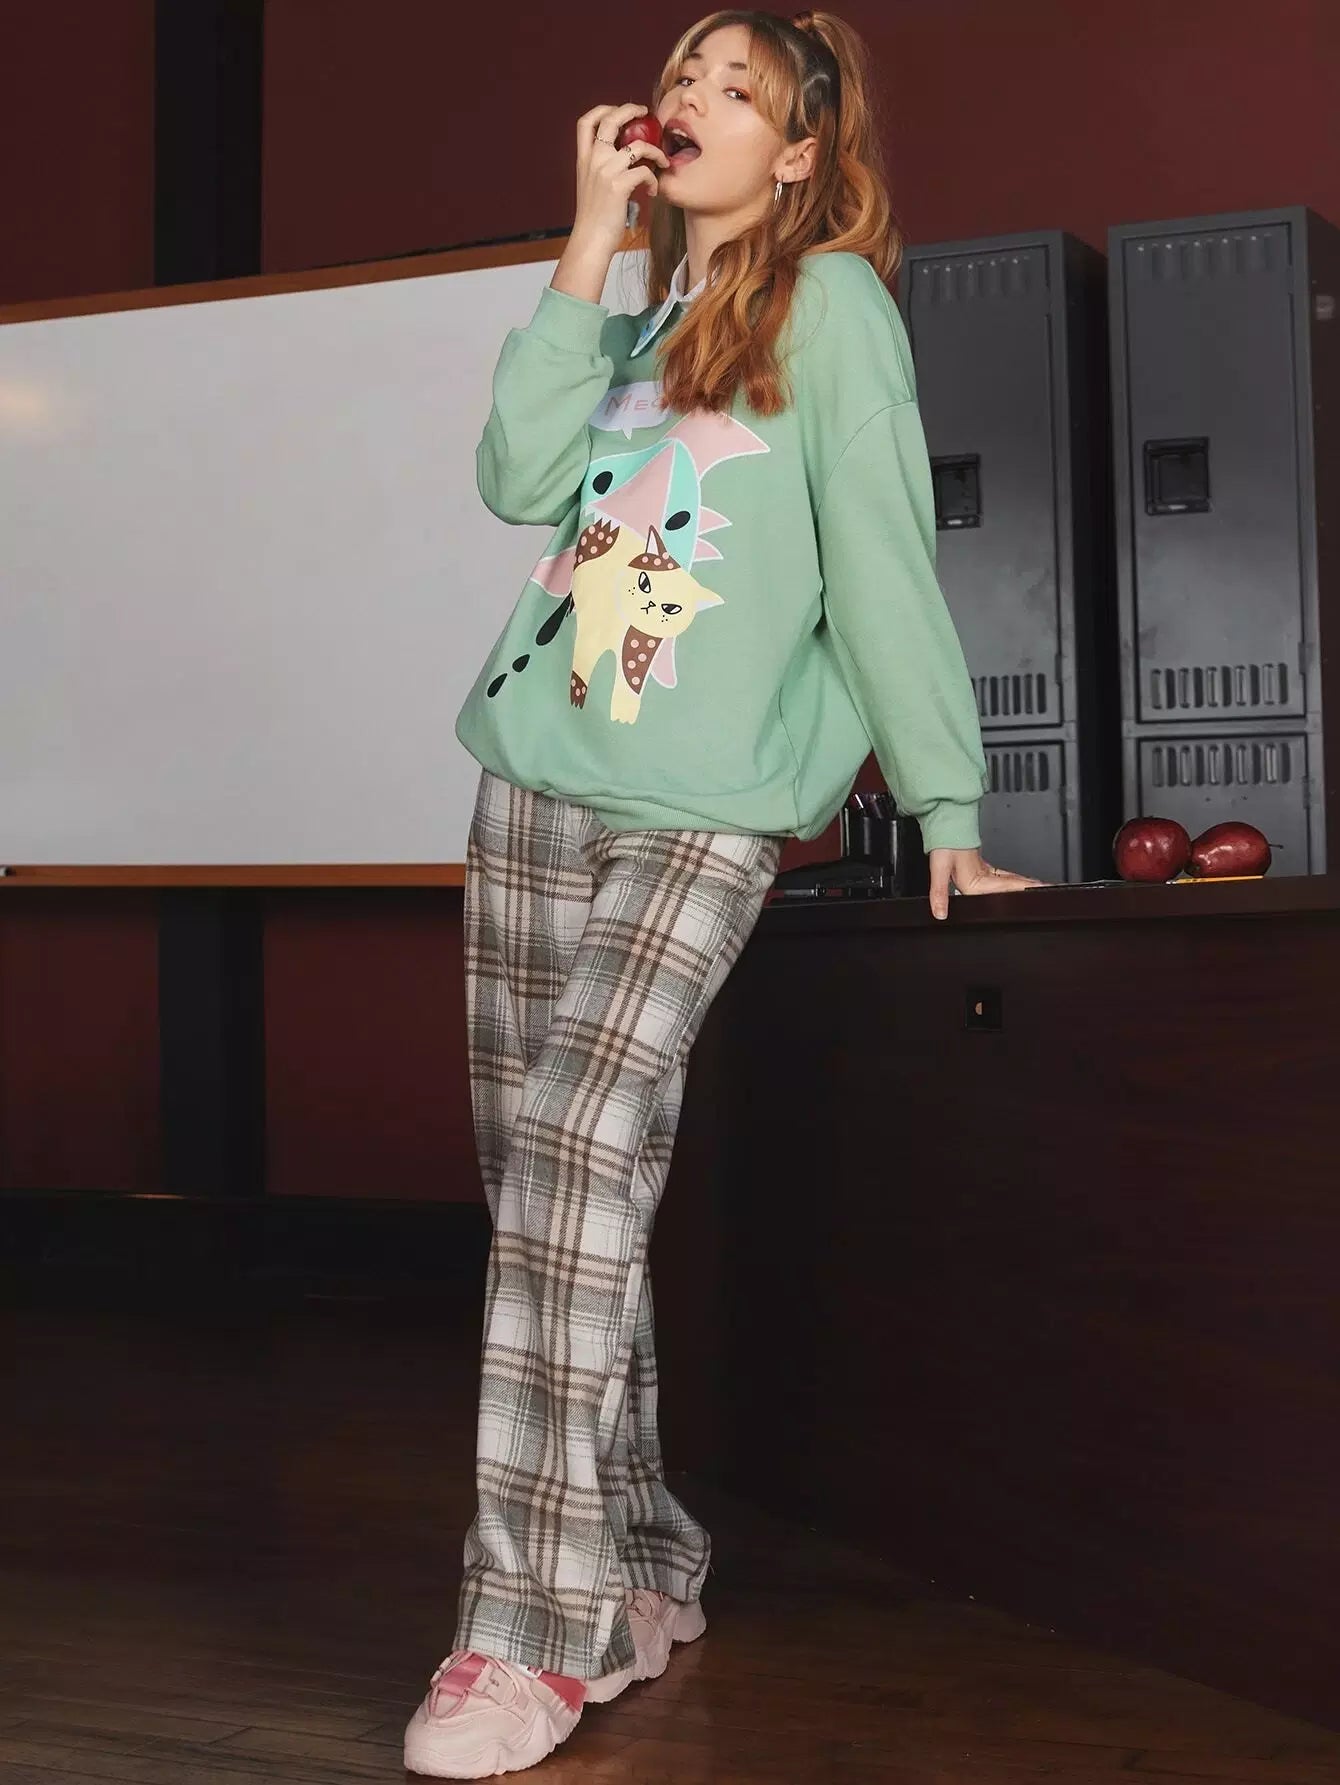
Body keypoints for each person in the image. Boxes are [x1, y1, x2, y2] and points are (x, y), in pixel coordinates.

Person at [404, 9, 1040, 1775]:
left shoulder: (832, 308)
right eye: (680, 72)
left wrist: (947, 800)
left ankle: (525, 1633)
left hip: (700, 816)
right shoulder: (635, 317)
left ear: (803, 152)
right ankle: (637, 1561)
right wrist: (589, 243)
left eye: (734, 87)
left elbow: (883, 557)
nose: (688, 96)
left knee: (579, 1146)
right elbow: (513, 480)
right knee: (551, 1194)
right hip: (530, 786)